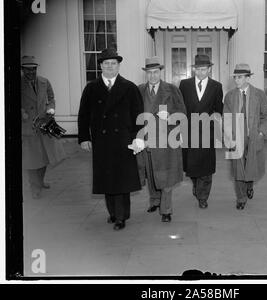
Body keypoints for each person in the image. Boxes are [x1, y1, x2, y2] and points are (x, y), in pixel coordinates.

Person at [77, 49, 144, 231]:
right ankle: (113, 213)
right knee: (107, 179)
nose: (109, 66)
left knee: (122, 180)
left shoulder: (129, 87)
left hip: (124, 141)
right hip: (101, 141)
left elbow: (139, 115)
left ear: (118, 65)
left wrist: (139, 138)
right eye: (106, 63)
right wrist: (84, 138)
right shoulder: (91, 88)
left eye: (113, 63)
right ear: (100, 66)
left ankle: (121, 216)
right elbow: (83, 115)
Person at [137, 56, 187, 222]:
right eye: (149, 72)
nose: (153, 76)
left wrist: (171, 116)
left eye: (156, 72)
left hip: (166, 139)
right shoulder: (139, 90)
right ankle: (154, 201)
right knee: (150, 173)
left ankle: (166, 210)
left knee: (165, 176)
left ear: (161, 72)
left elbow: (183, 114)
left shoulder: (172, 90)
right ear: (146, 74)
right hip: (145, 139)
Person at [223, 64, 267, 210]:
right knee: (238, 168)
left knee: (252, 166)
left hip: (253, 136)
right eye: (235, 77)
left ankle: (249, 185)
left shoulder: (259, 94)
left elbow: (266, 116)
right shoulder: (230, 96)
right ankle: (241, 198)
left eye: (240, 77)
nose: (237, 80)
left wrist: (261, 132)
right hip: (236, 137)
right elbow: (226, 117)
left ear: (248, 77)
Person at [179, 54, 223, 209]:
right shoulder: (184, 85)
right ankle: (196, 185)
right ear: (194, 69)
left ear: (209, 69)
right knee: (191, 165)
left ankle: (203, 196)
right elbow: (180, 108)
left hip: (207, 131)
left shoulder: (216, 86)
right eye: (197, 69)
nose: (200, 72)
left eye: (203, 69)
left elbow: (219, 109)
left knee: (206, 165)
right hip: (189, 130)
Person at [21, 55, 66, 199]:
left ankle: (40, 181)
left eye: (33, 69)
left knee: (45, 155)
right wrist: (21, 112)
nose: (30, 72)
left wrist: (51, 108)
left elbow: (51, 98)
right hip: (28, 125)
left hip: (44, 123)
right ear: (22, 69)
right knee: (31, 157)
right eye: (27, 70)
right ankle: (34, 186)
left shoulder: (44, 81)